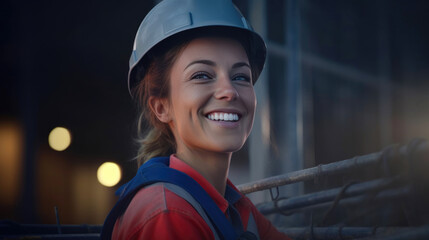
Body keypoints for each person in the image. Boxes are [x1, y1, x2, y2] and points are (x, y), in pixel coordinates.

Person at [101, 0, 292, 239]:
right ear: (162, 107)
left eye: (241, 76)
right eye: (202, 75)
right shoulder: (168, 213)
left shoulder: (233, 206)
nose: (229, 91)